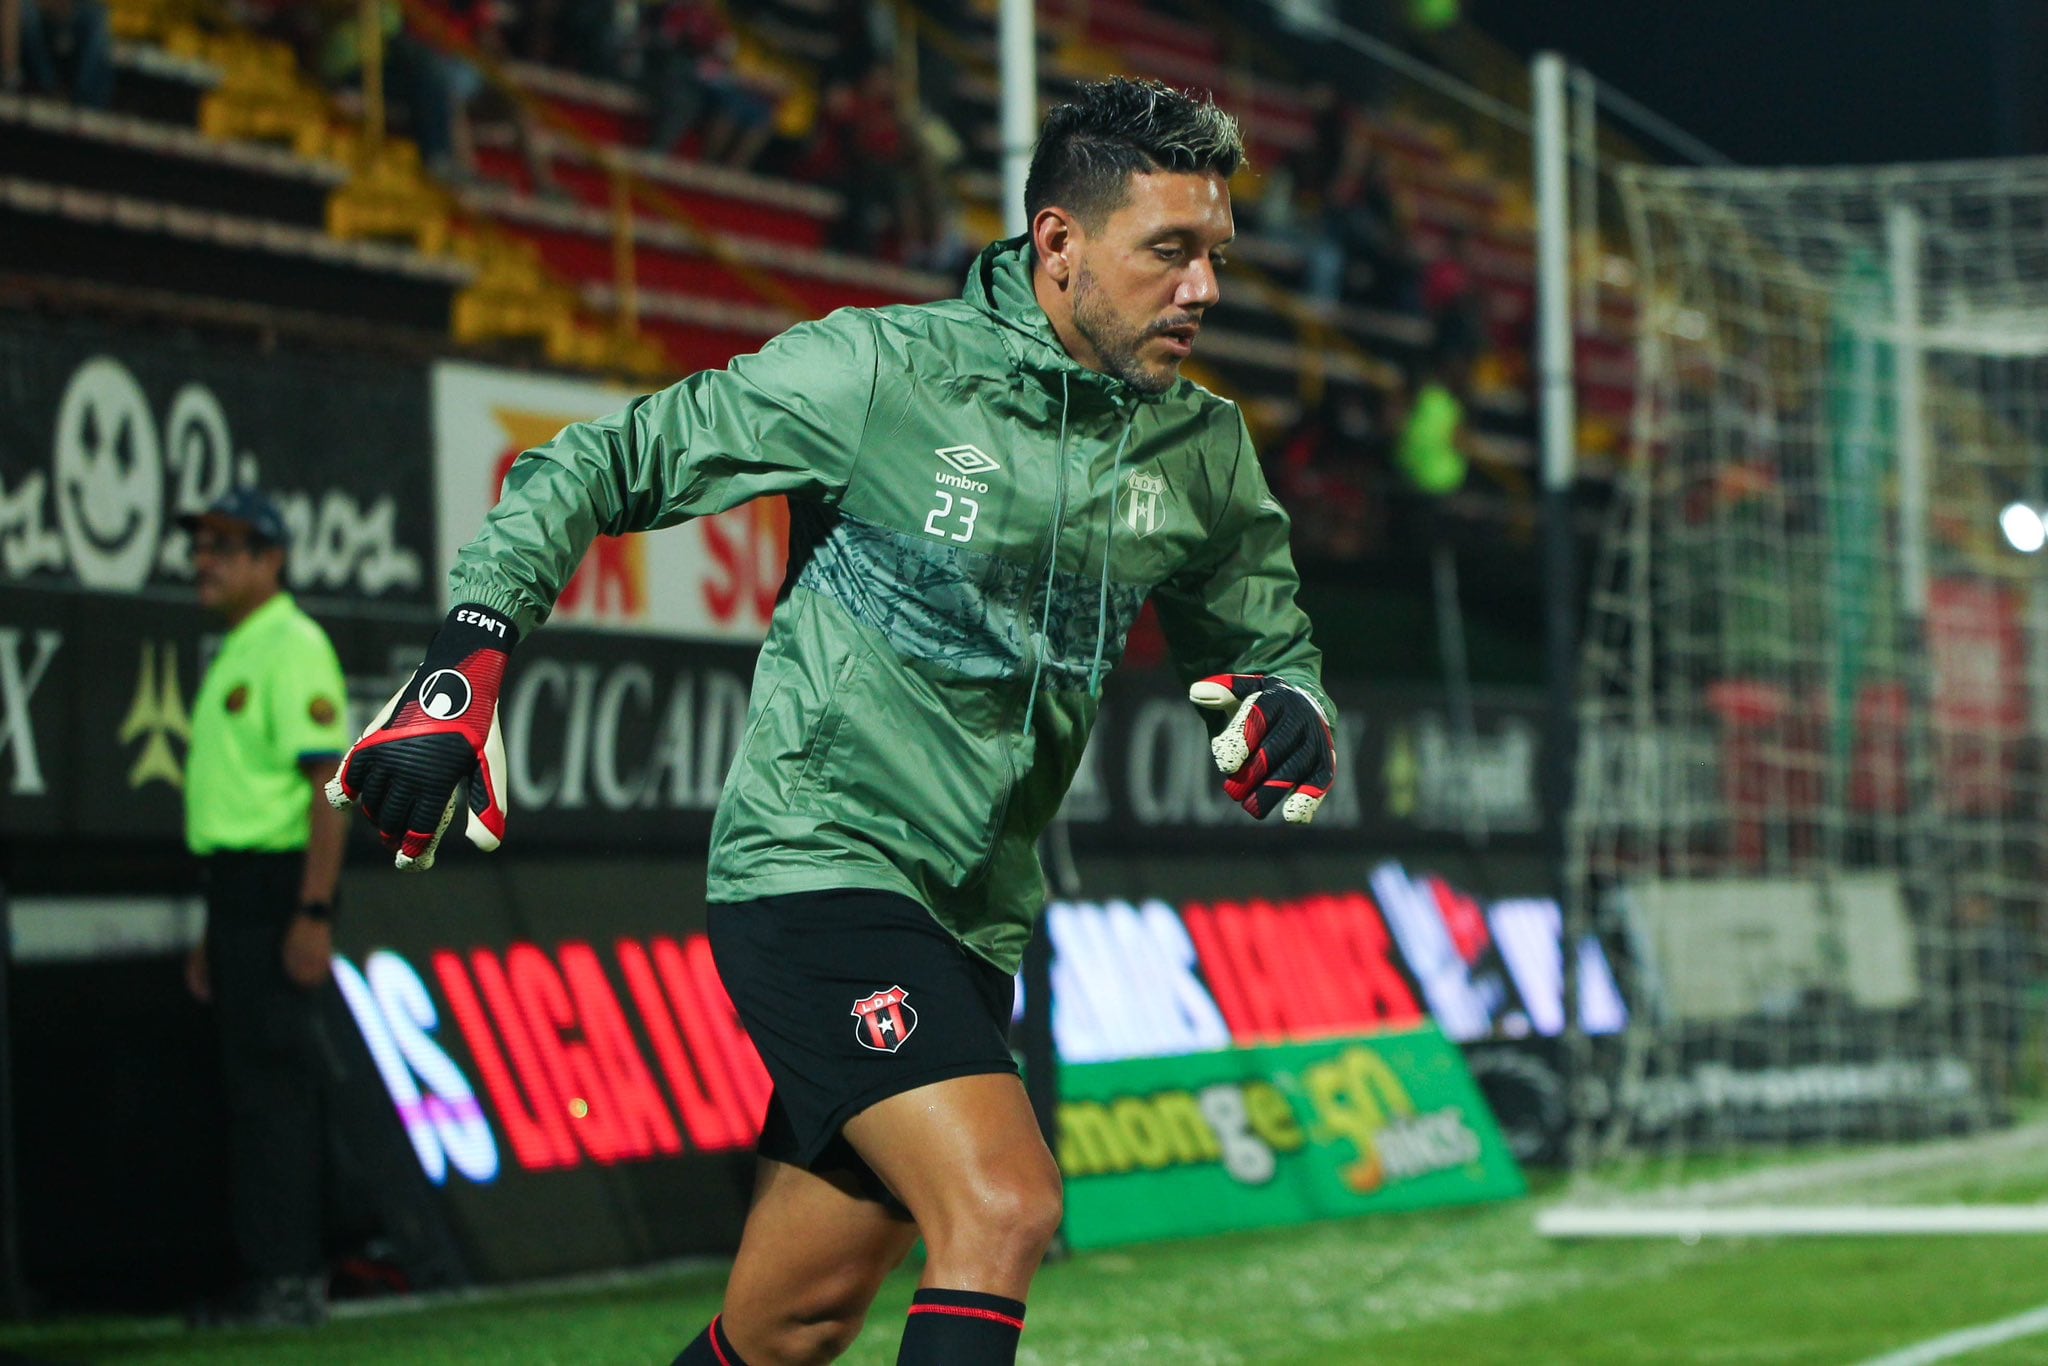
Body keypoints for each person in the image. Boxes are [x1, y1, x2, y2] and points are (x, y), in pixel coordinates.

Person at [328, 77, 1337, 1366]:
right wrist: (461, 666)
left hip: (973, 914)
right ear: (1059, 244)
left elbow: (1260, 635)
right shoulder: (879, 371)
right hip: (818, 867)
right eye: (1169, 251)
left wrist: (1285, 704)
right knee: (1003, 1202)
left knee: (789, 1325)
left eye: (1216, 256)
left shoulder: (1198, 450)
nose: (1202, 288)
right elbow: (595, 462)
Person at [179, 488, 352, 1331]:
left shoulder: (291, 643)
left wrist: (313, 909)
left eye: (225, 545)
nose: (204, 560)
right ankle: (270, 1275)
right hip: (237, 895)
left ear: (271, 559)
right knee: (254, 1091)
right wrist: (217, 928)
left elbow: (330, 788)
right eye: (202, 545)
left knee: (276, 1089)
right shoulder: (245, 646)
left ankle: (289, 1280)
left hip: (277, 888)